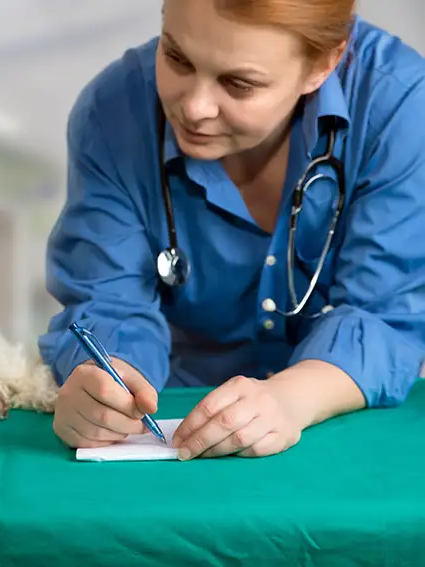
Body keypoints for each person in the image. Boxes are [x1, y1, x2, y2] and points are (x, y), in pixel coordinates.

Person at [38, 0, 425, 460]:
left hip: (339, 425)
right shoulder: (112, 112)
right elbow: (108, 300)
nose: (194, 108)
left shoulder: (401, 106)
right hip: (180, 414)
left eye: (239, 84)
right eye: (176, 57)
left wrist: (290, 398)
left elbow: (384, 315)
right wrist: (107, 385)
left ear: (324, 64)